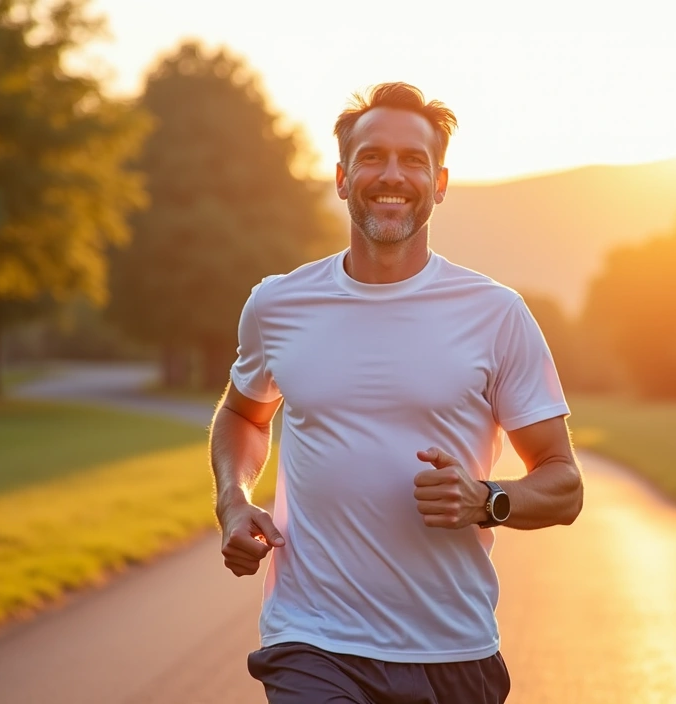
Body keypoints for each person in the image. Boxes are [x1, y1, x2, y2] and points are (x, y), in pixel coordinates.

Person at [208, 82, 584, 704]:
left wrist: (485, 499)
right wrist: (232, 499)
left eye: (413, 160)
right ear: (340, 176)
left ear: (438, 182)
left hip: (452, 650)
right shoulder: (277, 304)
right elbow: (244, 415)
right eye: (372, 156)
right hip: (311, 641)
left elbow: (563, 484)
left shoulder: (496, 314)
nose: (391, 175)